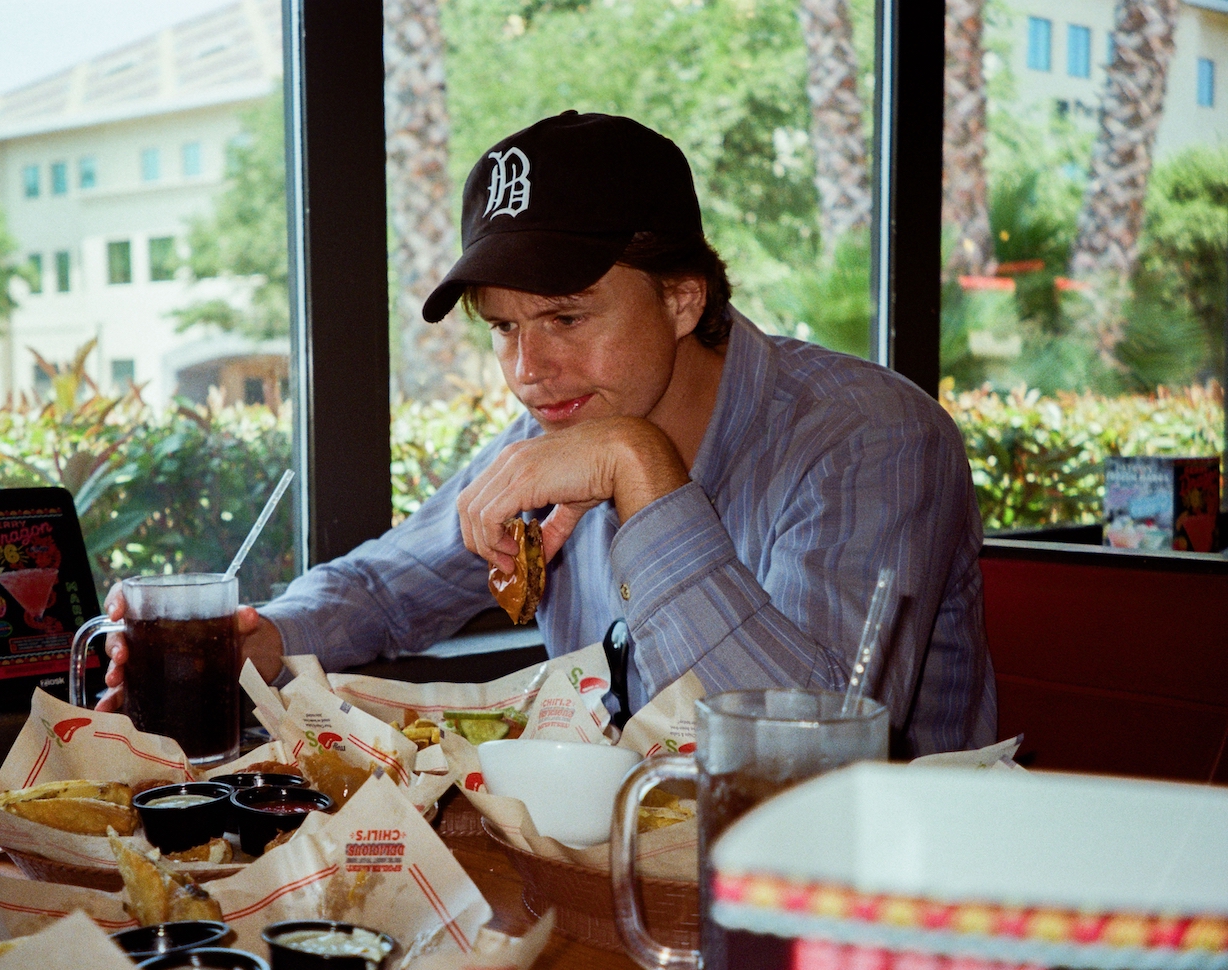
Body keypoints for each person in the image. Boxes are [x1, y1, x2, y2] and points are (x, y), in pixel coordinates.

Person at [102, 110, 996, 757]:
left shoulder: (870, 438)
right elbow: (387, 585)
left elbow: (803, 759)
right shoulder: (562, 423)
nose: (529, 369)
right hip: (620, 882)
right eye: (504, 327)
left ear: (683, 297)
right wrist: (262, 637)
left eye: (566, 317)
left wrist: (641, 471)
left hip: (874, 909)